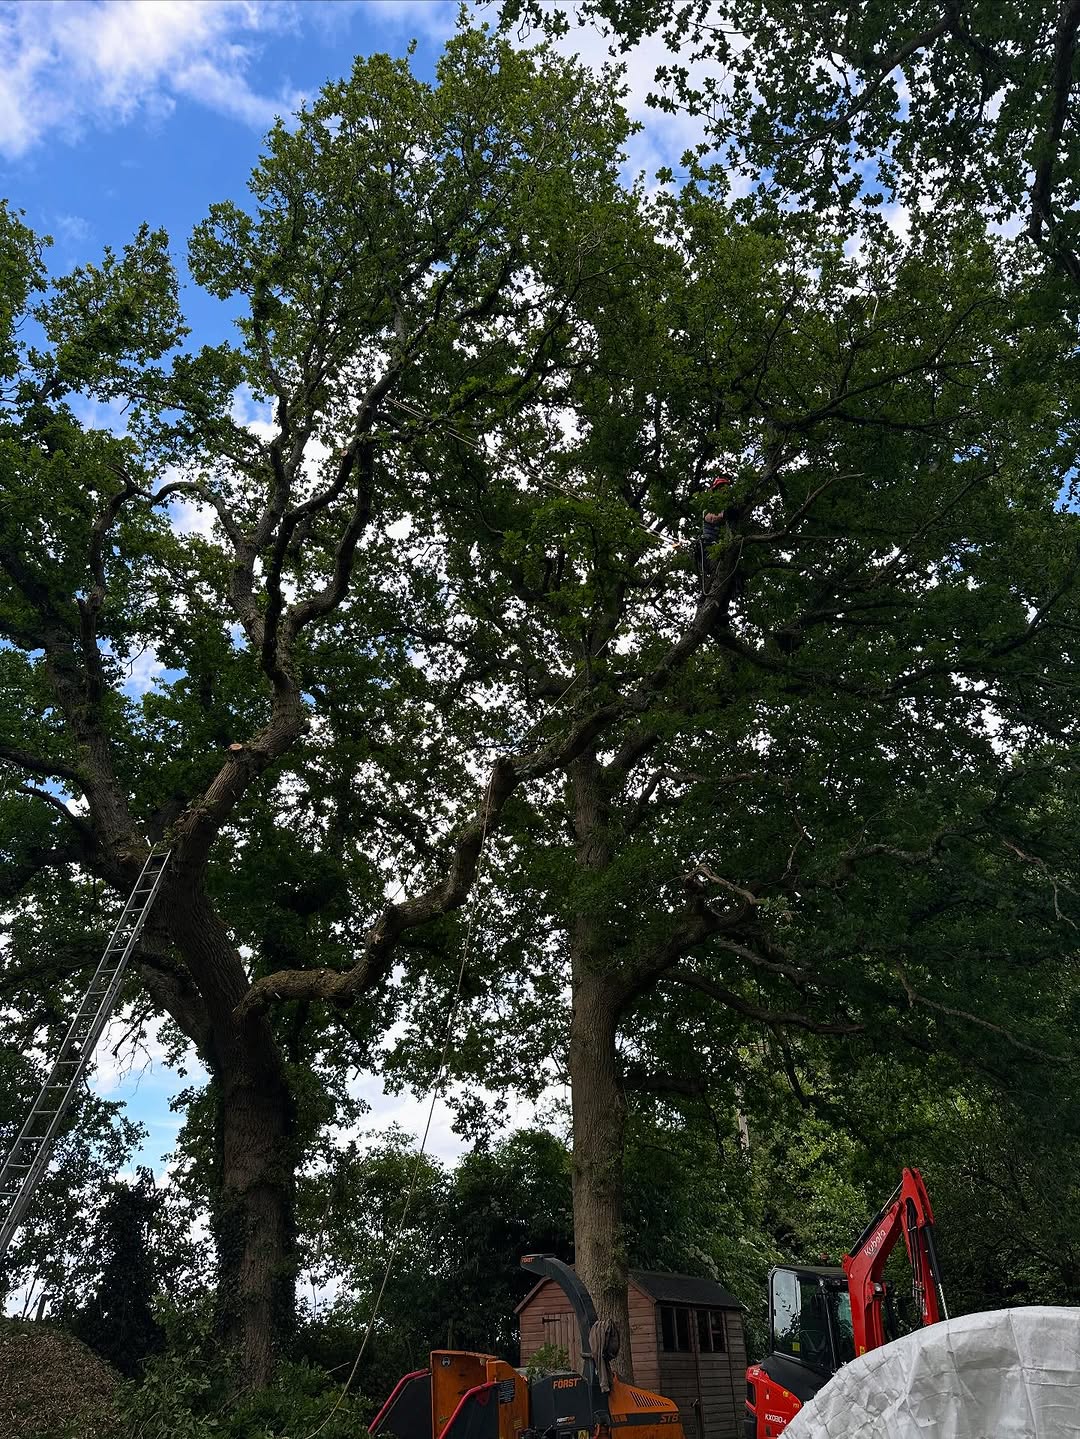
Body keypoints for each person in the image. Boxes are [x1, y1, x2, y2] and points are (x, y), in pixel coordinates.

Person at [697, 472, 734, 585]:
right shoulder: (708, 508)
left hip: (724, 548)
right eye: (721, 488)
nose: (723, 491)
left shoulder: (727, 507)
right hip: (709, 548)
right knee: (716, 571)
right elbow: (712, 519)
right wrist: (725, 515)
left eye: (725, 488)